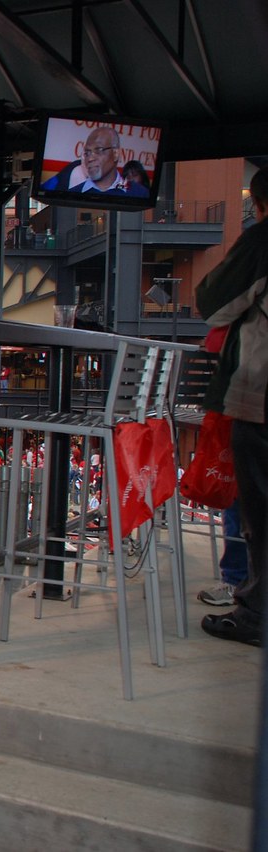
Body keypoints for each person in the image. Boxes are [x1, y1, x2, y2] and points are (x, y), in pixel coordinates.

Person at [196, 165, 268, 646]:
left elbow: (212, 301)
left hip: (261, 398)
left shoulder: (263, 240)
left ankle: (257, 613)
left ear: (260, 205)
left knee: (259, 508)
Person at [40, 127, 149, 197]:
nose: (90, 158)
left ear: (115, 154)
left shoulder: (140, 193)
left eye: (99, 150)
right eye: (87, 152)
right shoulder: (72, 193)